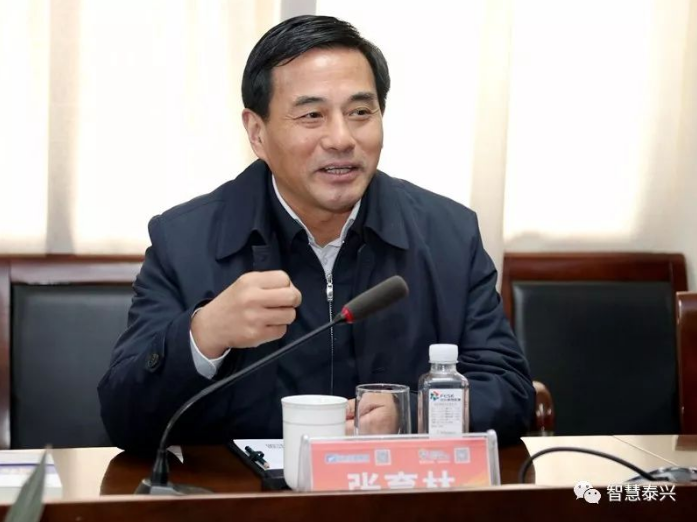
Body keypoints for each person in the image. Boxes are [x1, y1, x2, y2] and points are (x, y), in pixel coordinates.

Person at [98, 15, 535, 452]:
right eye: (312, 115)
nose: (341, 139)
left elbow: (511, 393)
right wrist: (204, 334)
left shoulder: (448, 235)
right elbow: (125, 420)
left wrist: (411, 414)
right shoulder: (184, 241)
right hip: (241, 491)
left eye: (360, 112)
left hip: (394, 488)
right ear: (257, 132)